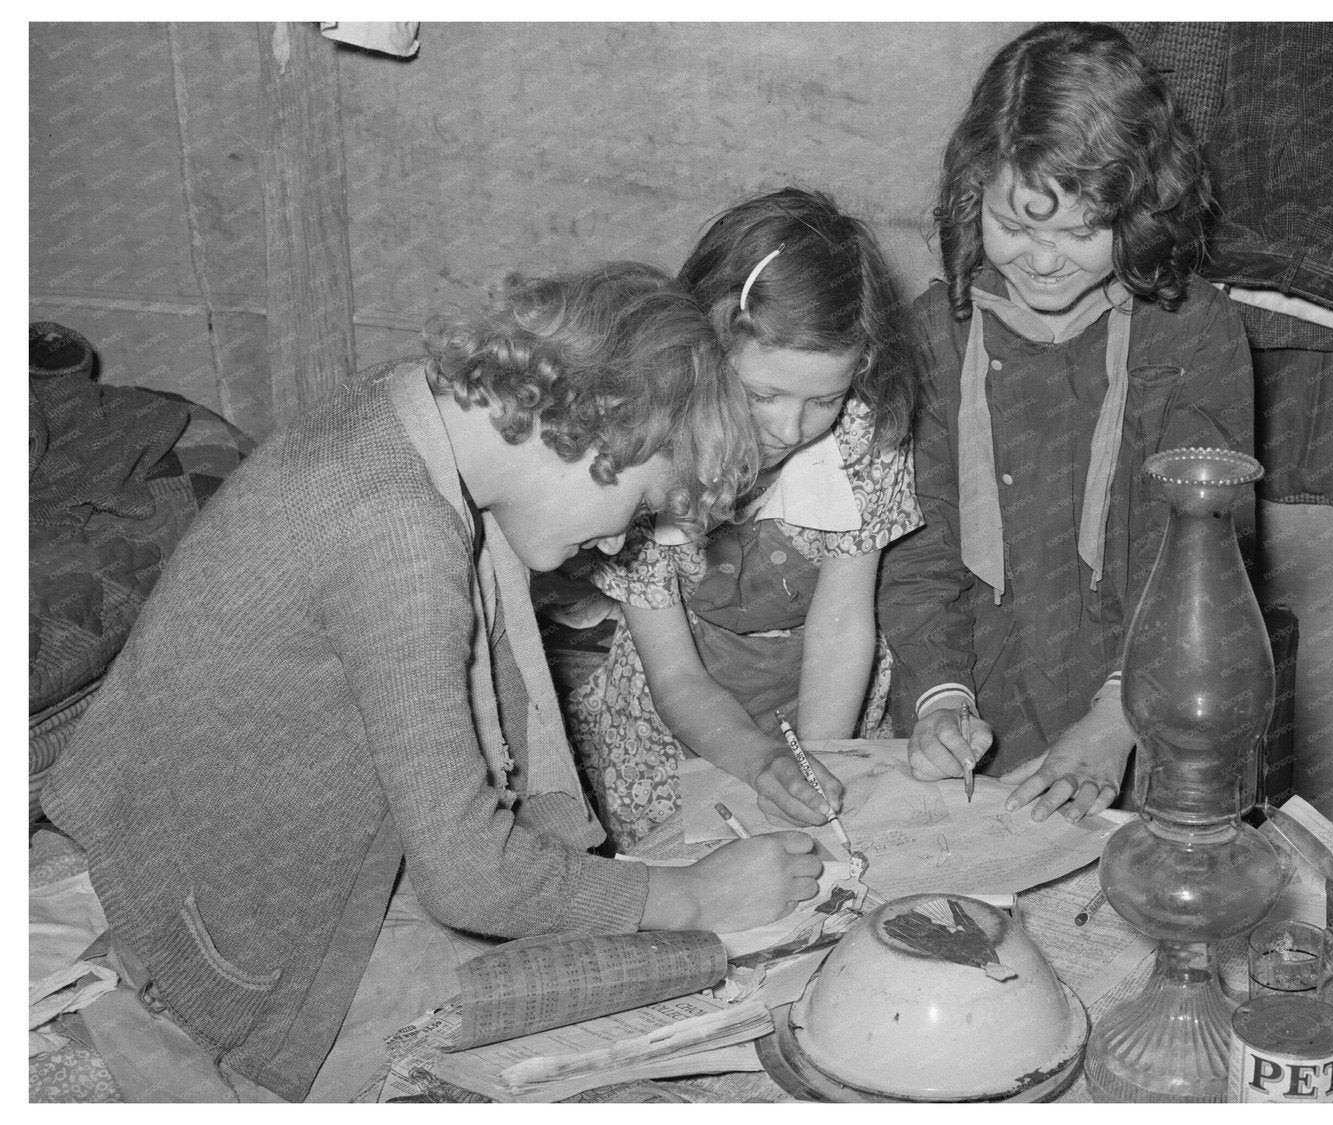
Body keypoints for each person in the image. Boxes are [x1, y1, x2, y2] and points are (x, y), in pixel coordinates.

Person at [41, 262, 822, 1102]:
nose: (617, 545)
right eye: (637, 511)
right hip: (180, 906)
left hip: (148, 818)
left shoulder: (408, 404)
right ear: (602, 428)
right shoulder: (401, 541)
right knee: (620, 993)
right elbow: (467, 876)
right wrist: (693, 893)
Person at [879, 23, 1255, 824]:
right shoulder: (936, 332)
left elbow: (1205, 571)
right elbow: (920, 547)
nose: (1042, 260)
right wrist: (940, 701)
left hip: (1149, 707)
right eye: (1015, 226)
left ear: (1143, 207)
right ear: (971, 194)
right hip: (986, 697)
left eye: (1080, 232)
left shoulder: (1194, 332)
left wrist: (1119, 719)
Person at [567, 188, 922, 850]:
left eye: (825, 398)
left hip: (820, 698)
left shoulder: (862, 442)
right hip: (676, 711)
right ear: (705, 350)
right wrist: (759, 759)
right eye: (763, 394)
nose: (791, 428)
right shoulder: (649, 452)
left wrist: (816, 762)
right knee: (698, 866)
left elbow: (842, 624)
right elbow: (675, 674)